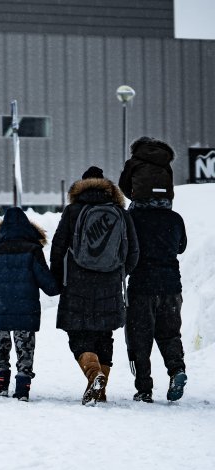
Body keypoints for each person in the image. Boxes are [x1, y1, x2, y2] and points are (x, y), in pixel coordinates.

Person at [49, 166, 139, 404]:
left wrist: (58, 279)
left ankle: (93, 374)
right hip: (109, 283)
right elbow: (133, 252)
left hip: (77, 283)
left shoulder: (73, 212)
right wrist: (118, 272)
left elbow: (58, 248)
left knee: (78, 333)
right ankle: (101, 387)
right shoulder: (119, 212)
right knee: (104, 334)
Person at [0, 207, 60, 401]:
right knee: (25, 349)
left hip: (0, 312)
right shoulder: (33, 250)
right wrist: (60, 285)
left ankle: (1, 384)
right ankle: (23, 388)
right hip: (26, 311)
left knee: (0, 347)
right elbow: (49, 286)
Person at [126, 202, 188, 403]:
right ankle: (176, 369)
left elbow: (126, 247)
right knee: (170, 334)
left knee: (140, 338)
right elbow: (181, 247)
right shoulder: (175, 218)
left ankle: (144, 389)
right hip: (170, 287)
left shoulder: (134, 218)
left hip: (141, 287)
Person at [118, 136, 175, 209]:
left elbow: (123, 184)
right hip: (165, 202)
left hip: (142, 201)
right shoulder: (165, 162)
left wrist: (133, 196)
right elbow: (170, 182)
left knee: (128, 219)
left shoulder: (132, 162)